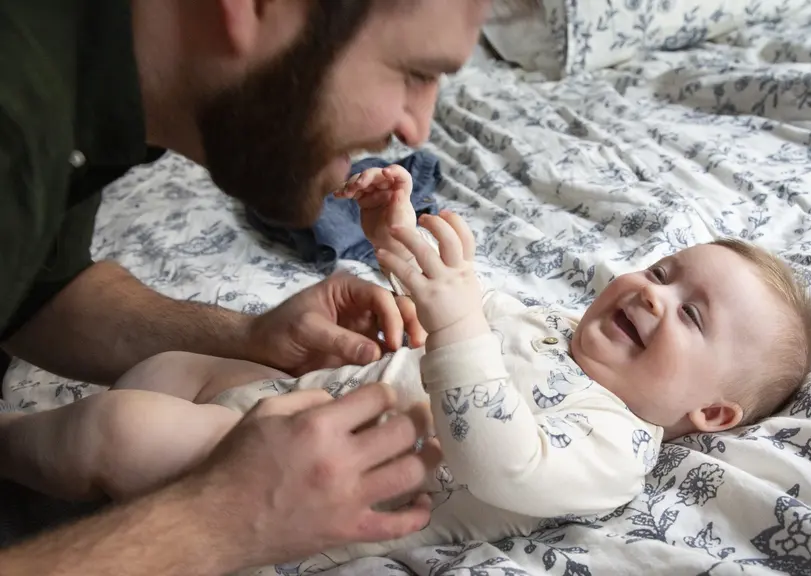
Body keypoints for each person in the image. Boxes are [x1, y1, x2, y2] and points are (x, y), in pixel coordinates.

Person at [11, 165, 811, 574]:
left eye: (692, 315)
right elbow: (432, 310)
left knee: (116, 430)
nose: (651, 292)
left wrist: (461, 319)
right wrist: (396, 235)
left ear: (712, 414)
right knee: (166, 366)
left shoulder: (615, 447)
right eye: (664, 271)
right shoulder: (542, 330)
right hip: (276, 401)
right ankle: (61, 497)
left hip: (287, 480)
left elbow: (502, 461)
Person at [0, 0, 496, 573]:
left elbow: (41, 294)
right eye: (415, 72)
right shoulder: (16, 125)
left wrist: (249, 339)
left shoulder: (83, 77)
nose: (418, 128)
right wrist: (216, 520)